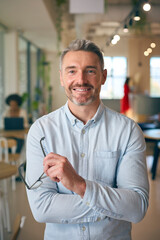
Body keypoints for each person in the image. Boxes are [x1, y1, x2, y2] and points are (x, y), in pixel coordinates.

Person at [25, 39, 149, 240]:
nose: (80, 80)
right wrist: (113, 207)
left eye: (90, 70)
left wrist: (79, 185)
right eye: (72, 71)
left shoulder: (127, 130)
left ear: (103, 76)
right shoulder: (41, 131)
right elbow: (42, 208)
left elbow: (136, 207)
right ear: (62, 78)